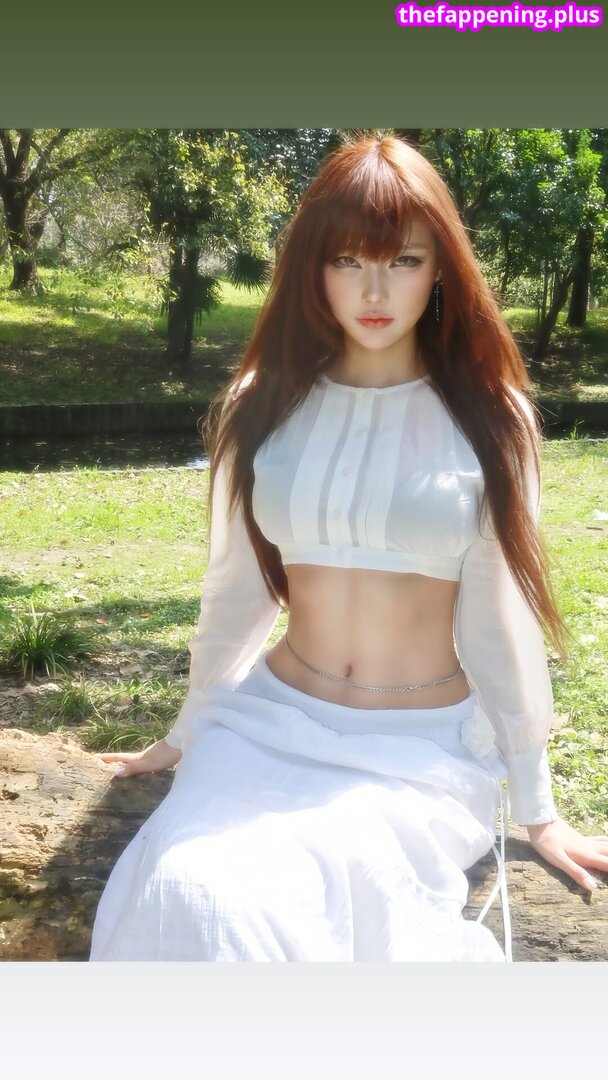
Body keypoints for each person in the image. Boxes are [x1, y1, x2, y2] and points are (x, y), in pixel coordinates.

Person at [89, 134, 608, 962]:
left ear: (441, 270)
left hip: (418, 754)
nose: (374, 290)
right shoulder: (259, 404)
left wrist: (537, 805)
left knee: (321, 906)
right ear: (313, 269)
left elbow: (500, 618)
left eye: (403, 261)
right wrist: (185, 730)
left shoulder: (491, 416)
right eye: (347, 261)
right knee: (194, 891)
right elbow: (235, 592)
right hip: (265, 724)